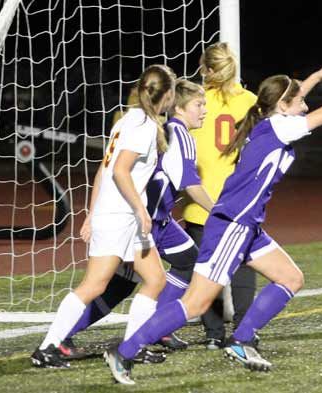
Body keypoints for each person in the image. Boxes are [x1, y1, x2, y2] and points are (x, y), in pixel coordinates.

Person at [106, 55, 322, 384]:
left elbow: (289, 96)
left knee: (290, 278)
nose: (305, 106)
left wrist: (317, 76)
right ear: (284, 105)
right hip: (233, 224)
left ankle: (242, 340)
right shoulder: (280, 126)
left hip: (248, 226)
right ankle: (126, 351)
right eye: (301, 101)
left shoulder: (269, 121)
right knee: (196, 303)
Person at [30, 64, 176, 370]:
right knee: (94, 285)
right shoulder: (143, 126)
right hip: (121, 215)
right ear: (168, 94)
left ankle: (133, 346)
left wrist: (91, 214)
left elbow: (104, 170)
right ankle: (47, 347)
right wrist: (138, 209)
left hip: (119, 215)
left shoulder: (130, 119)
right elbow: (120, 171)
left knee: (155, 278)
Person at [59, 79, 213, 363]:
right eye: (199, 104)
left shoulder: (156, 128)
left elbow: (107, 170)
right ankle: (67, 336)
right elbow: (189, 183)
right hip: (146, 220)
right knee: (117, 283)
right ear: (178, 106)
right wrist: (220, 213)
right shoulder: (178, 134)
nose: (204, 110)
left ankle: (156, 330)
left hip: (157, 219)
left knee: (183, 262)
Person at [182, 42, 259, 350]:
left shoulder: (195, 102)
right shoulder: (250, 101)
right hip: (238, 202)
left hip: (201, 203)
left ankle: (214, 334)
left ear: (209, 71)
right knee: (242, 266)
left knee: (205, 271)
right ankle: (244, 331)